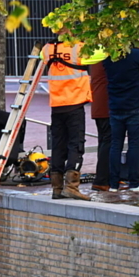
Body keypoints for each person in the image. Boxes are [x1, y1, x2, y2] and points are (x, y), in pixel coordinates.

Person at [40, 38, 101, 201]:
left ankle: (57, 188)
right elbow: (103, 53)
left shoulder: (47, 49)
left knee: (58, 146)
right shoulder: (79, 48)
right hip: (74, 104)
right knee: (76, 145)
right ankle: (71, 187)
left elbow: (41, 56)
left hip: (56, 105)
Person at [102, 47, 139, 192]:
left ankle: (114, 184)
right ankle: (134, 183)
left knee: (116, 145)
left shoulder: (108, 55)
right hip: (134, 105)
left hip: (115, 106)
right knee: (134, 145)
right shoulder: (135, 53)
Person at [88, 59, 113, 191]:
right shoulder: (106, 58)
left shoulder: (96, 58)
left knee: (104, 142)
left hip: (99, 106)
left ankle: (102, 178)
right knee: (108, 142)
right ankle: (103, 179)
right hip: (106, 106)